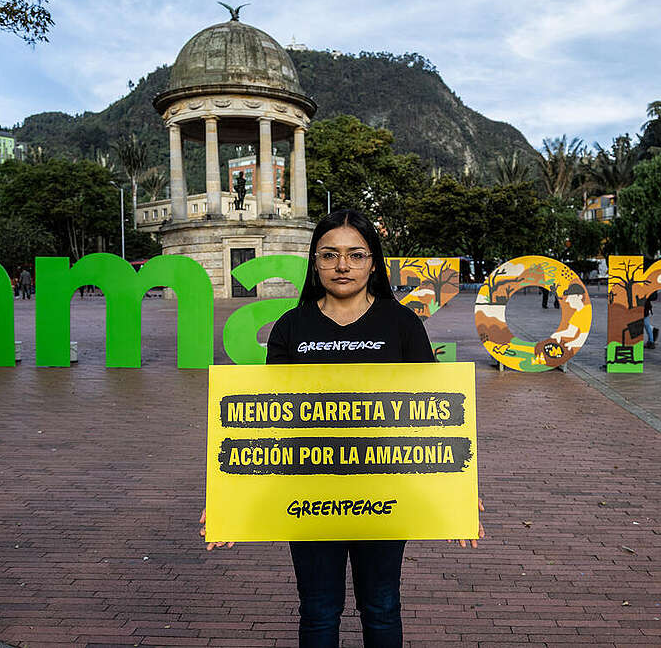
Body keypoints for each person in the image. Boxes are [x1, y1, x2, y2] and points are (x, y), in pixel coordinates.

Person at [199, 209, 483, 647]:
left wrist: (458, 492)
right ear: (315, 262)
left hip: (388, 492)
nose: (343, 265)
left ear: (373, 262)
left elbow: (435, 411)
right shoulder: (292, 328)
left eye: (355, 254)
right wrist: (228, 499)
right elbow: (269, 419)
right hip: (309, 496)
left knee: (383, 607)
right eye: (330, 255)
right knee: (317, 612)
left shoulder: (403, 324)